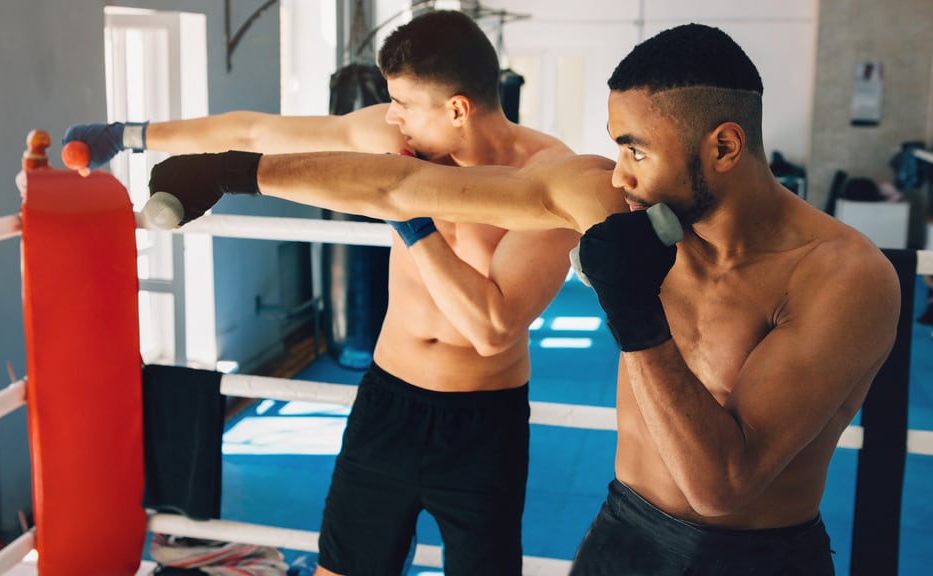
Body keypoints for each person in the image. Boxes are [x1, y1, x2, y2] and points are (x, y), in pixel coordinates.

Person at [143, 23, 902, 575]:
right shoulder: (611, 197)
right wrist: (233, 172)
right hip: (621, 533)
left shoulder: (843, 278)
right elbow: (405, 186)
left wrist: (633, 311)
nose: (621, 175)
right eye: (616, 144)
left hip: (755, 559)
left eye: (636, 149)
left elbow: (722, 486)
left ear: (725, 149)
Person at [66, 10, 584, 576]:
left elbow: (492, 327)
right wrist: (126, 137)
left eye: (404, 104)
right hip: (390, 401)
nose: (392, 117)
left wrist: (406, 212)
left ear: (456, 108)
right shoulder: (395, 138)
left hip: (483, 422)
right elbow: (254, 132)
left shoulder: (549, 180)